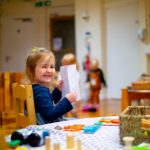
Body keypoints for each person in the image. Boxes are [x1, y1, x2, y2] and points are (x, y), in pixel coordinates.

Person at [24, 47, 77, 125]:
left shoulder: (36, 88)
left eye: (52, 67)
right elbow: (51, 115)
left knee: (73, 120)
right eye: (44, 67)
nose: (49, 70)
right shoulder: (41, 91)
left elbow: (46, 104)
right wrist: (67, 101)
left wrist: (57, 91)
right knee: (75, 121)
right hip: (45, 126)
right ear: (31, 70)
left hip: (42, 123)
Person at [61, 53, 80, 117]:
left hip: (72, 95)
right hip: (64, 96)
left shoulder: (75, 73)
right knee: (63, 110)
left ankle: (75, 120)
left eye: (67, 64)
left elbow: (75, 84)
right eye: (64, 64)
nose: (65, 66)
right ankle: (64, 121)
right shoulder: (62, 72)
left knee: (73, 110)